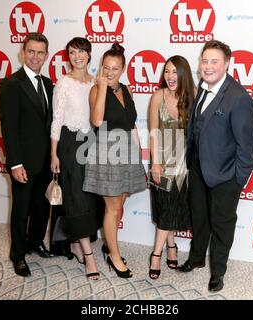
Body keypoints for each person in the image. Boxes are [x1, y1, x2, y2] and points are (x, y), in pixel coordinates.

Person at [177, 40, 253, 293]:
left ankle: (218, 273)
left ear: (226, 64)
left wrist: (238, 180)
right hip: (199, 168)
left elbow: (248, 143)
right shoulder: (201, 88)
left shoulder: (238, 98)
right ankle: (197, 258)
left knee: (222, 225)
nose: (208, 66)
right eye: (204, 60)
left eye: (214, 61)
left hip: (226, 175)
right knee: (199, 217)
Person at [83, 43, 146, 278]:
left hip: (127, 152)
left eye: (115, 68)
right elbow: (97, 121)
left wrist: (139, 157)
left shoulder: (127, 90)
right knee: (113, 208)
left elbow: (131, 125)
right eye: (105, 68)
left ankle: (109, 246)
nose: (109, 72)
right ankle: (114, 256)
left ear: (123, 69)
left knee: (119, 205)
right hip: (106, 153)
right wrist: (100, 87)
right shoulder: (95, 90)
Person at [0, 32, 55, 277]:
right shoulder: (11, 83)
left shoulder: (49, 84)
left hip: (45, 161)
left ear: (46, 55)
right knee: (21, 209)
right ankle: (18, 254)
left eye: (40, 52)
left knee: (42, 207)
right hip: (23, 162)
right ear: (23, 52)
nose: (35, 56)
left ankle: (35, 242)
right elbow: (8, 128)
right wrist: (15, 163)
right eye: (31, 51)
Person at [50, 37, 101, 280]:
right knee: (77, 197)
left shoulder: (96, 82)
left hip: (92, 142)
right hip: (70, 144)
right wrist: (53, 153)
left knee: (90, 196)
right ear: (67, 56)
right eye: (72, 52)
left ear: (89, 54)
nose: (77, 56)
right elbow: (57, 120)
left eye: (81, 51)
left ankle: (78, 243)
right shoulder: (63, 83)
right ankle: (89, 258)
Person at [148, 55, 195, 280]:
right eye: (167, 71)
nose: (170, 76)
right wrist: (155, 162)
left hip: (186, 163)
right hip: (163, 161)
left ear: (183, 74)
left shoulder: (193, 94)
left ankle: (172, 245)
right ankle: (156, 254)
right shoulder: (158, 95)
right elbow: (153, 131)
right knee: (165, 208)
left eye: (175, 72)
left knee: (175, 207)